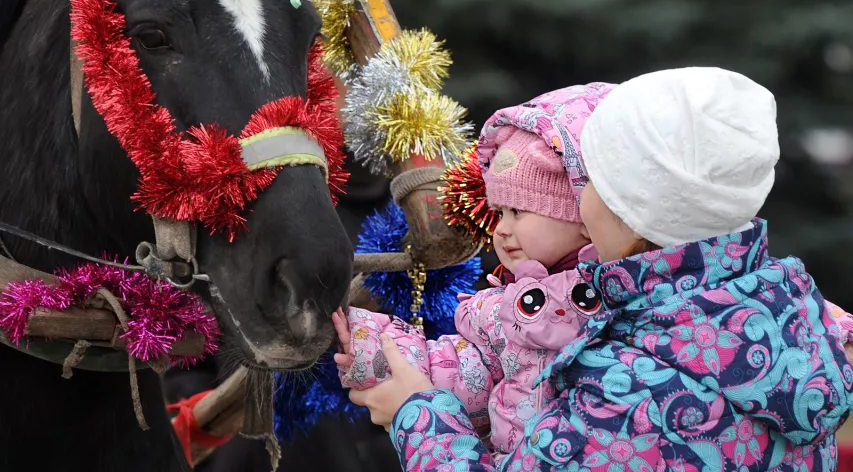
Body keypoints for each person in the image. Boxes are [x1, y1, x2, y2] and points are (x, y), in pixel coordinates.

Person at [344, 67, 853, 471]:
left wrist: (418, 415)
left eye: (589, 185)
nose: (578, 203)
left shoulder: (631, 390)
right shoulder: (790, 313)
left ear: (629, 209)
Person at [332, 83, 616, 456]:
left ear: (581, 211)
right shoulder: (500, 309)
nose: (501, 229)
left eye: (519, 211)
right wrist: (376, 346)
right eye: (498, 212)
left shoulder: (623, 293)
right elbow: (468, 375)